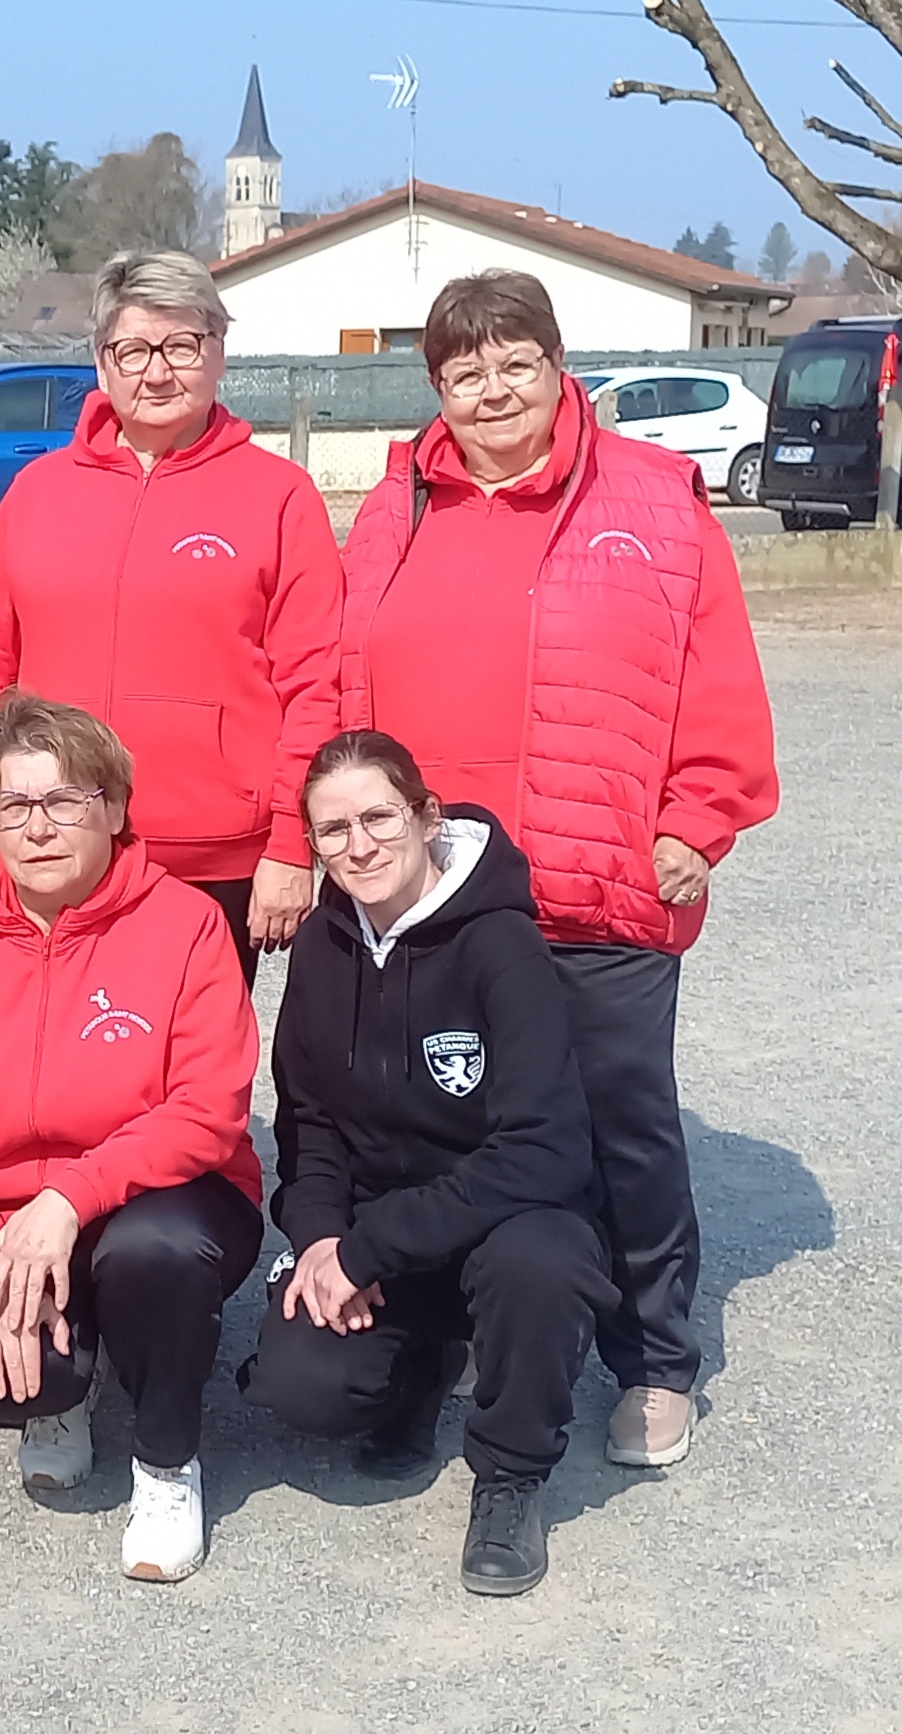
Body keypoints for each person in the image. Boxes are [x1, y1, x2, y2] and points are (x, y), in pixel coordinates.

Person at [337, 269, 778, 1470]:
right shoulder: (396, 509)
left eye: (513, 363)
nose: (490, 390)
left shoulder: (651, 497)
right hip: (435, 887)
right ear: (435, 385)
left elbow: (717, 677)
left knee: (619, 1125)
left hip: (596, 874)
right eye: (463, 371)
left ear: (554, 365)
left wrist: (699, 816)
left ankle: (650, 1360)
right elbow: (347, 684)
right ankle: (459, 1332)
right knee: (438, 1121)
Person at [0, 690, 262, 1583]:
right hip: (1, 1218)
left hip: (162, 1205)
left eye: (65, 802)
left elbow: (208, 1109)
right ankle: (63, 1395)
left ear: (115, 810)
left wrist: (70, 1195)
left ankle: (166, 1463)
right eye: (15, 804)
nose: (37, 828)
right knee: (7, 1381)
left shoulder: (189, 923)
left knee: (152, 1255)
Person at [240, 730, 615, 1597]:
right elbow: (309, 1122)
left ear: (426, 816)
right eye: (332, 830)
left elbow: (546, 1146)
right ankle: (413, 1373)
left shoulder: (501, 943)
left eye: (379, 817)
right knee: (303, 1391)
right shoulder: (324, 946)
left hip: (500, 1219)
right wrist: (325, 1240)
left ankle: (511, 1476)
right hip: (380, 1232)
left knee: (544, 1263)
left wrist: (372, 1251)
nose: (358, 845)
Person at [0, 249, 342, 974]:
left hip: (213, 861)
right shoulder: (37, 494)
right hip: (55, 845)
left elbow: (316, 684)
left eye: (181, 345)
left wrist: (292, 839)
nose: (156, 372)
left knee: (196, 1073)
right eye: (133, 350)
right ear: (102, 363)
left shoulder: (279, 497)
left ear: (218, 353)